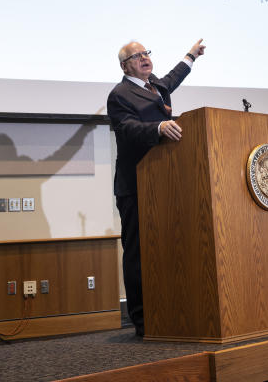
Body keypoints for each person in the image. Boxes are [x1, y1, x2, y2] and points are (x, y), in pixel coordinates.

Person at [107, 39, 205, 336]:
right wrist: (158, 128)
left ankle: (169, 310)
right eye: (137, 56)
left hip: (162, 183)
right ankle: (142, 319)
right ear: (125, 65)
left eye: (146, 53)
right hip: (135, 184)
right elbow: (126, 129)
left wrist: (191, 56)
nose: (144, 58)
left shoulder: (156, 87)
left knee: (166, 247)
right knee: (138, 252)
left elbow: (174, 77)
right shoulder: (119, 94)